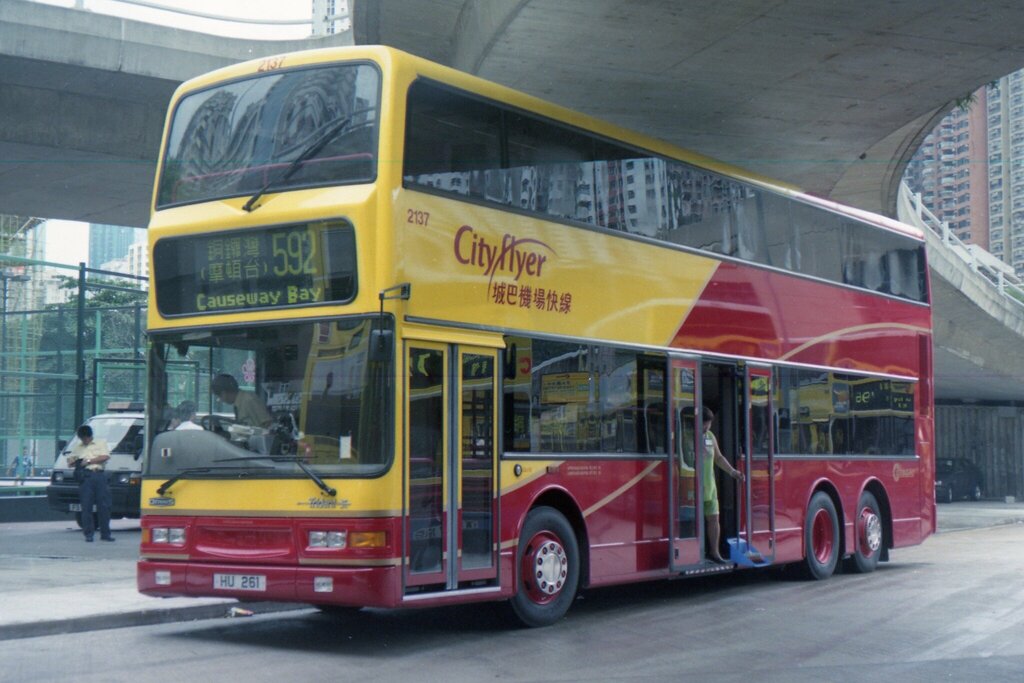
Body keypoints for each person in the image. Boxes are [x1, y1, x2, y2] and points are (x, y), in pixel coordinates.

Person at [700, 406, 743, 563]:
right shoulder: (688, 436)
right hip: (693, 485)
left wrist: (733, 472)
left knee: (714, 519)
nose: (707, 427)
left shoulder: (710, 437)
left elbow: (718, 458)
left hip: (709, 486)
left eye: (709, 424)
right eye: (705, 423)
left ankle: (714, 552)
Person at [67, 424, 114, 542]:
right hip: (86, 477)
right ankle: (88, 534)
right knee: (86, 506)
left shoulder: (100, 443)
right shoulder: (78, 447)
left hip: (98, 474)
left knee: (104, 506)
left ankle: (105, 534)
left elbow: (105, 457)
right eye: (82, 439)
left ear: (90, 436)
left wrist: (88, 461)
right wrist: (74, 461)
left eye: (85, 438)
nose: (84, 441)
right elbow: (70, 461)